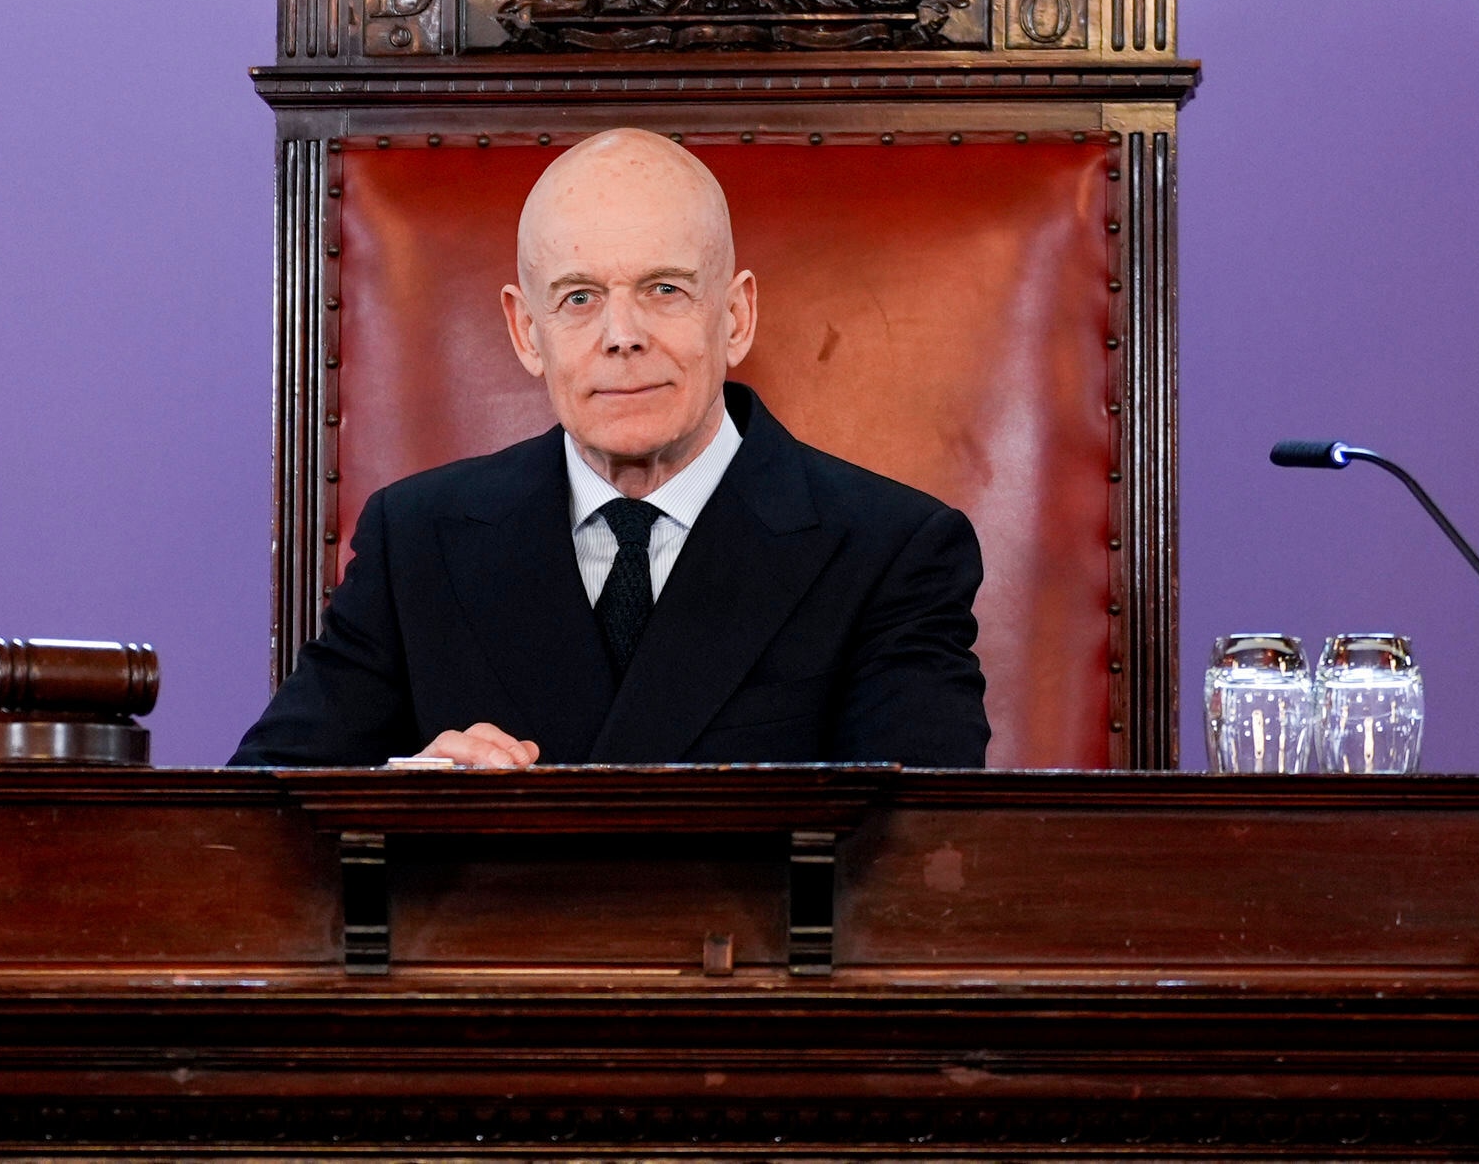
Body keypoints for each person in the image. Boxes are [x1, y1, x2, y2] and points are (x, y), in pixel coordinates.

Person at [230, 128, 990, 768]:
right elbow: (257, 822)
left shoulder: (893, 553)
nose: (621, 334)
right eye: (579, 298)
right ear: (528, 332)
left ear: (736, 316)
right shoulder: (415, 541)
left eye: (665, 288)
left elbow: (921, 866)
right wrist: (410, 798)